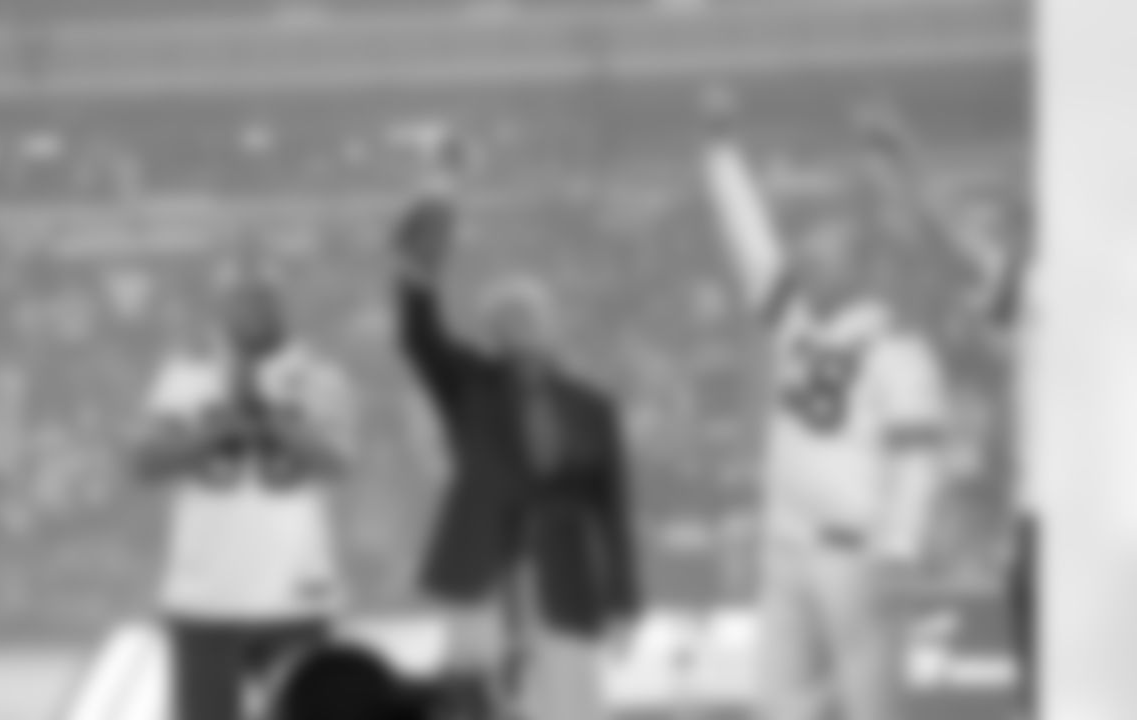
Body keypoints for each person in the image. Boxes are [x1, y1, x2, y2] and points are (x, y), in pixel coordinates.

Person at [699, 111, 953, 720]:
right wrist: (721, 156)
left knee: (869, 707)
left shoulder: (898, 348)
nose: (807, 256)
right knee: (781, 707)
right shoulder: (795, 331)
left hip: (860, 558)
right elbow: (751, 245)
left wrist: (901, 550)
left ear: (861, 263)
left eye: (825, 245)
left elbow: (918, 464)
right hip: (785, 552)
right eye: (807, 245)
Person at [388, 137, 640, 720]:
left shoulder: (591, 408)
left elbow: (613, 509)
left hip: (565, 576)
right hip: (483, 570)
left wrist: (623, 600)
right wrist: (440, 192)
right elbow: (416, 318)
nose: (518, 327)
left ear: (553, 327)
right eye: (504, 320)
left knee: (571, 708)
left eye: (528, 316)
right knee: (476, 705)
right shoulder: (466, 385)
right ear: (490, 336)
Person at [859, 114, 1039, 716]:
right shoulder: (972, 305)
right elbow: (943, 242)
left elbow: (953, 244)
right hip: (973, 454)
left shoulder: (1028, 290)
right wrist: (907, 174)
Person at [132, 267, 358, 720]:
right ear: (220, 312)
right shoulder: (185, 376)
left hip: (297, 592)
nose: (251, 314)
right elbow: (144, 462)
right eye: (240, 303)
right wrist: (216, 428)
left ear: (283, 310)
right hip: (205, 595)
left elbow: (339, 462)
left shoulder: (318, 376)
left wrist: (271, 417)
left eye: (263, 302)